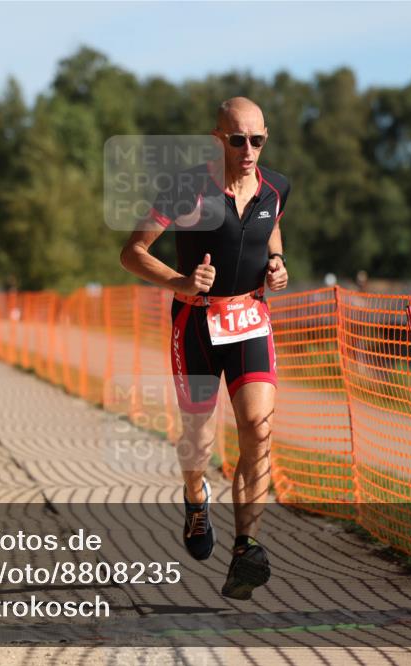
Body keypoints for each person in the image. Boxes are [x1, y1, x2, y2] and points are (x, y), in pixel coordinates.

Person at [120, 97, 290, 600]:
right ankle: (196, 497)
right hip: (195, 323)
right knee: (198, 437)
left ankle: (246, 548)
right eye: (237, 140)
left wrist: (277, 262)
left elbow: (271, 224)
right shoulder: (186, 188)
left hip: (249, 318)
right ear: (217, 140)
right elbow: (132, 252)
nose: (248, 150)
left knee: (258, 428)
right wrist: (180, 281)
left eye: (257, 140)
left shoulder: (276, 188)